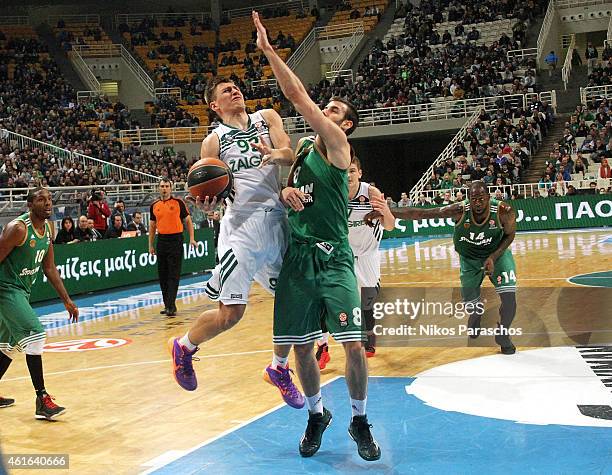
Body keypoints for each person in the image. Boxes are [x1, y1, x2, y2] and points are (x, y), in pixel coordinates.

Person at [252, 11, 381, 461]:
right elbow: (290, 180)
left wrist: (269, 51)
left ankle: (360, 420)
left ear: (344, 126)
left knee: (353, 346)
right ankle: (316, 414)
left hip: (334, 260)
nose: (324, 112)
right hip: (298, 261)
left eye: (334, 112)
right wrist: (286, 189)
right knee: (302, 349)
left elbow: (297, 95)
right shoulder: (305, 149)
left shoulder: (338, 148)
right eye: (327, 109)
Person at [167, 71, 304, 409]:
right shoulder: (213, 140)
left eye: (236, 87)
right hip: (240, 230)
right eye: (226, 90)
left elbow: (290, 152)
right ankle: (184, 347)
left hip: (277, 222)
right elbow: (207, 187)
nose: (234, 90)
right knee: (231, 315)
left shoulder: (266, 117)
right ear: (214, 105)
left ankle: (278, 368)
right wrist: (207, 201)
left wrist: (277, 157)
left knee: (297, 303)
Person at [368, 181, 518, 355]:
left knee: (509, 298)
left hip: (497, 255)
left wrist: (493, 256)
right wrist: (386, 211)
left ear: (488, 197)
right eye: (473, 199)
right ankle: (475, 314)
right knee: (471, 304)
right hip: (469, 259)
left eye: (481, 198)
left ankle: (504, 335)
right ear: (468, 199)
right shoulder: (459, 210)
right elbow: (420, 214)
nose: (477, 203)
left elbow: (510, 235)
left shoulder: (503, 211)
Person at [0, 187, 79, 419]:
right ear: (29, 204)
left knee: (8, 346)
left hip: (21, 291)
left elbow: (49, 268)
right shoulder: (18, 229)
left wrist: (67, 300)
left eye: (49, 199)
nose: (47, 203)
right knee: (35, 334)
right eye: (41, 199)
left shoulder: (47, 230)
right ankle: (42, 400)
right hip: (5, 289)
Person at [315, 156, 394, 369]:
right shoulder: (335, 193)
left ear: (360, 173)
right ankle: (323, 347)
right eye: (345, 171)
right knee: (325, 301)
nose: (348, 175)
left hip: (367, 257)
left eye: (352, 171)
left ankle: (369, 337)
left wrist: (385, 210)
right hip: (342, 256)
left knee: (367, 302)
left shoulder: (371, 193)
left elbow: (390, 226)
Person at [149, 179, 196, 317]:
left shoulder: (178, 203)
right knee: (163, 274)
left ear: (171, 188)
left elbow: (188, 221)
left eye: (167, 186)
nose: (164, 189)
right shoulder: (154, 205)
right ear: (158, 188)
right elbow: (152, 226)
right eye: (162, 186)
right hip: (162, 240)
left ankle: (171, 305)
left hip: (176, 240)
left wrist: (191, 238)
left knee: (173, 274)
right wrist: (151, 245)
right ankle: (167, 304)